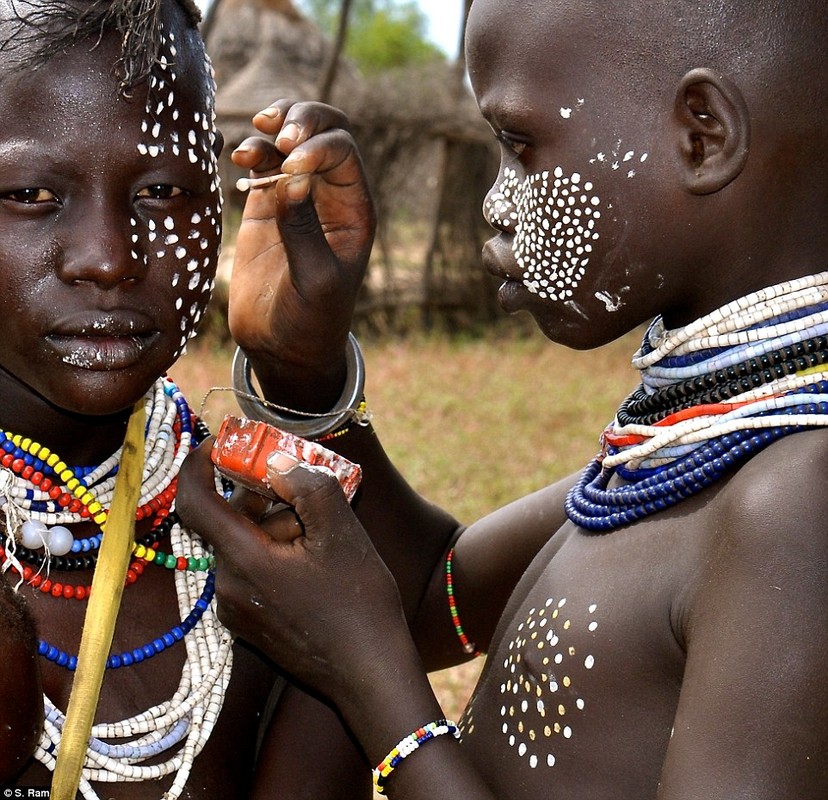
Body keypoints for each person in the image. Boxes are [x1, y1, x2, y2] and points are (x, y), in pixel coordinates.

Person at [177, 0, 828, 797]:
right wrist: (305, 369)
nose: (493, 202)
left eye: (520, 148)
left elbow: (383, 640)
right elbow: (428, 598)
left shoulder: (796, 506)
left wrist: (372, 692)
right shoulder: (686, 448)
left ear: (703, 137)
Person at [0, 0, 372, 796]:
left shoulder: (265, 547)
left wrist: (302, 374)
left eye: (163, 191)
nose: (107, 259)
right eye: (31, 193)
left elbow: (445, 603)